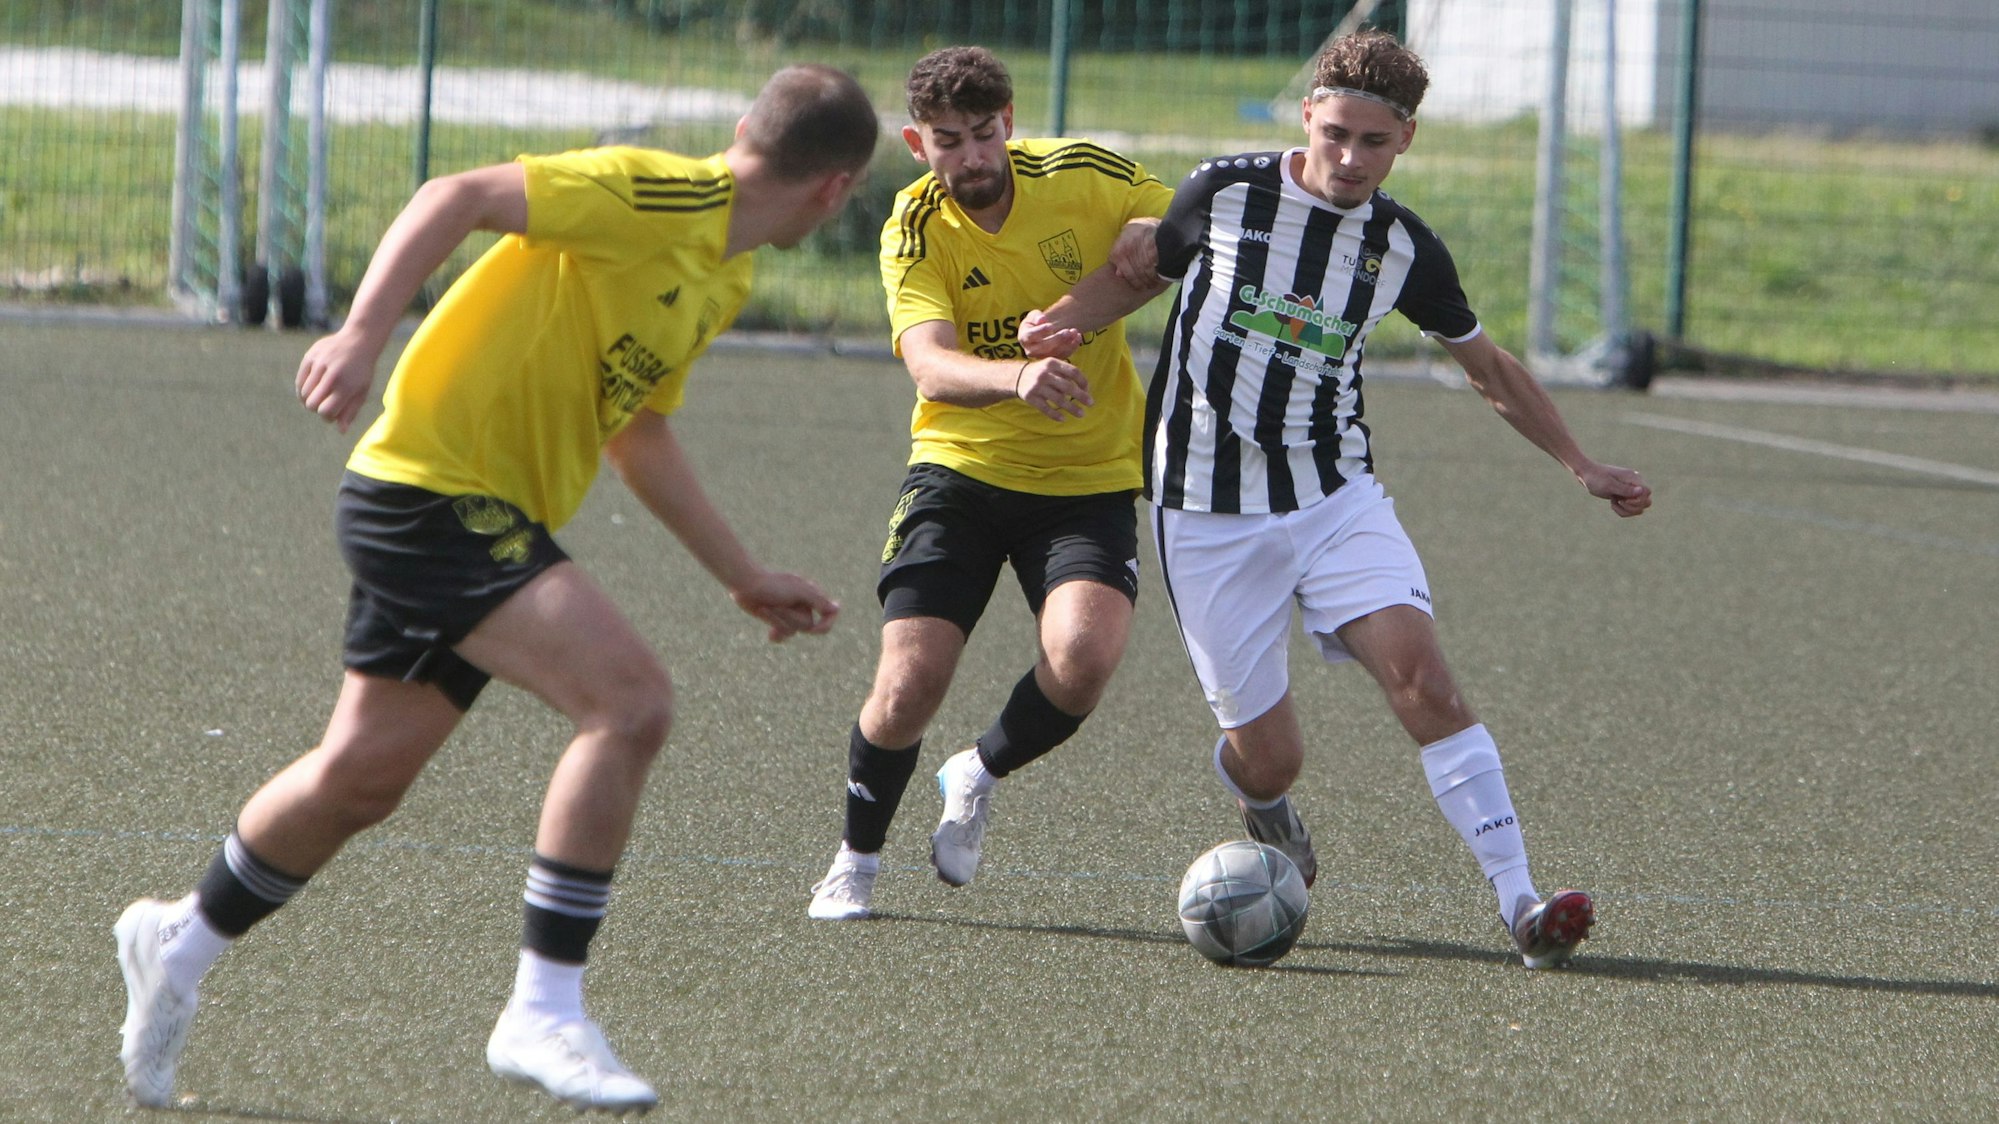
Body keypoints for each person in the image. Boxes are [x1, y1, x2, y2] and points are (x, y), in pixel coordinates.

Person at [114, 65, 877, 1112]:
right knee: (628, 701)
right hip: (430, 495)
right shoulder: (658, 192)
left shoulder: (723, 275)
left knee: (357, 777)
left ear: (749, 126)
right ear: (839, 188)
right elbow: (457, 195)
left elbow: (635, 428)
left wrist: (740, 573)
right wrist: (362, 332)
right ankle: (545, 1008)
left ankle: (176, 941)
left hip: (481, 515)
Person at [1020, 30, 1652, 968]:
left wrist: (1579, 462)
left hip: (1333, 495)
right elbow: (1131, 277)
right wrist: (1052, 330)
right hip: (1205, 508)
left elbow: (1487, 368)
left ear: (1405, 141)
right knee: (1270, 758)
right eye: (1337, 134)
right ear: (1309, 116)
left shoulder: (1400, 247)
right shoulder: (1223, 193)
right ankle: (1263, 805)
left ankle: (1522, 906)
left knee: (1425, 682)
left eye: (1374, 142)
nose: (1351, 159)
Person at [805, 46, 1174, 922]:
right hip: (959, 471)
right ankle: (855, 860)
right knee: (908, 681)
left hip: (1086, 477)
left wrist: (1152, 233)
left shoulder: (1083, 174)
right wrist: (1016, 375)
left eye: (983, 134)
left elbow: (1182, 226)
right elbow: (929, 365)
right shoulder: (915, 223)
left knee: (1083, 661)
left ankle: (977, 769)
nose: (970, 157)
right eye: (947, 141)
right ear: (914, 142)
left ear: (1008, 123)